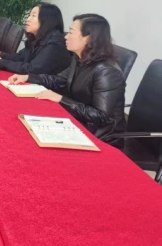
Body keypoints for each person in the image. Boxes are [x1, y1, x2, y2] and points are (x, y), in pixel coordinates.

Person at [8, 14, 126, 147]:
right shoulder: (80, 58)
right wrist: (27, 77)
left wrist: (60, 99)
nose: (66, 37)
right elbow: (57, 80)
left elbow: (99, 115)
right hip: (78, 121)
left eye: (71, 32)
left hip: (100, 137)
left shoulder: (107, 71)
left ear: (88, 38)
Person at [0, 3, 71, 74]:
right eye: (29, 15)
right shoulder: (37, 37)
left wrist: (0, 62)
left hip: (46, 87)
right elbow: (21, 57)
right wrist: (0, 55)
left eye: (33, 16)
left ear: (47, 20)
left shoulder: (55, 44)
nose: (28, 19)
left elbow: (32, 69)